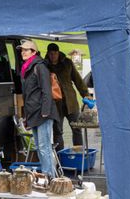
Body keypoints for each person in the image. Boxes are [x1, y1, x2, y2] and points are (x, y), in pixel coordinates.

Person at [18, 38, 57, 176]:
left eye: (26, 50)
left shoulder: (39, 66)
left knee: (44, 147)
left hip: (43, 113)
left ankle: (50, 177)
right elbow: (28, 94)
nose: (23, 52)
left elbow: (46, 90)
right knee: (39, 148)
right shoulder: (26, 68)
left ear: (33, 51)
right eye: (22, 50)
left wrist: (45, 111)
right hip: (33, 112)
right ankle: (47, 176)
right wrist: (26, 115)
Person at [45, 42, 89, 149]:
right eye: (50, 54)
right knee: (58, 131)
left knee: (77, 128)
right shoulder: (44, 65)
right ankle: (61, 159)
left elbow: (78, 80)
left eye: (55, 53)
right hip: (55, 104)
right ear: (48, 53)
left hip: (71, 102)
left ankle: (78, 155)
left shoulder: (67, 63)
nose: (53, 56)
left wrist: (85, 94)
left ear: (58, 53)